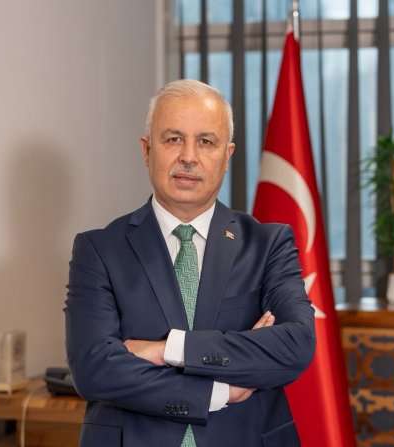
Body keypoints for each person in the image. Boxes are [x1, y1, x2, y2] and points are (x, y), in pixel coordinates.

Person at [65, 79, 316, 447]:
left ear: (227, 156)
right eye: (173, 139)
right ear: (147, 150)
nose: (188, 156)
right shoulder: (99, 250)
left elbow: (296, 344)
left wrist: (168, 348)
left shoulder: (268, 245)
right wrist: (220, 391)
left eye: (206, 141)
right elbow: (94, 369)